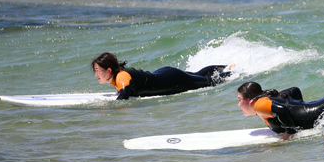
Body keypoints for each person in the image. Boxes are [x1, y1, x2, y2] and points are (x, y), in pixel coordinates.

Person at [91, 52, 229, 100]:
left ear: (109, 71)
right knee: (198, 75)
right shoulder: (117, 78)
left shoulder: (121, 77)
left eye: (98, 70)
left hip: (172, 80)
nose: (96, 74)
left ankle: (233, 72)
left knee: (209, 82)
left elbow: (123, 97)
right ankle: (228, 66)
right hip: (166, 74)